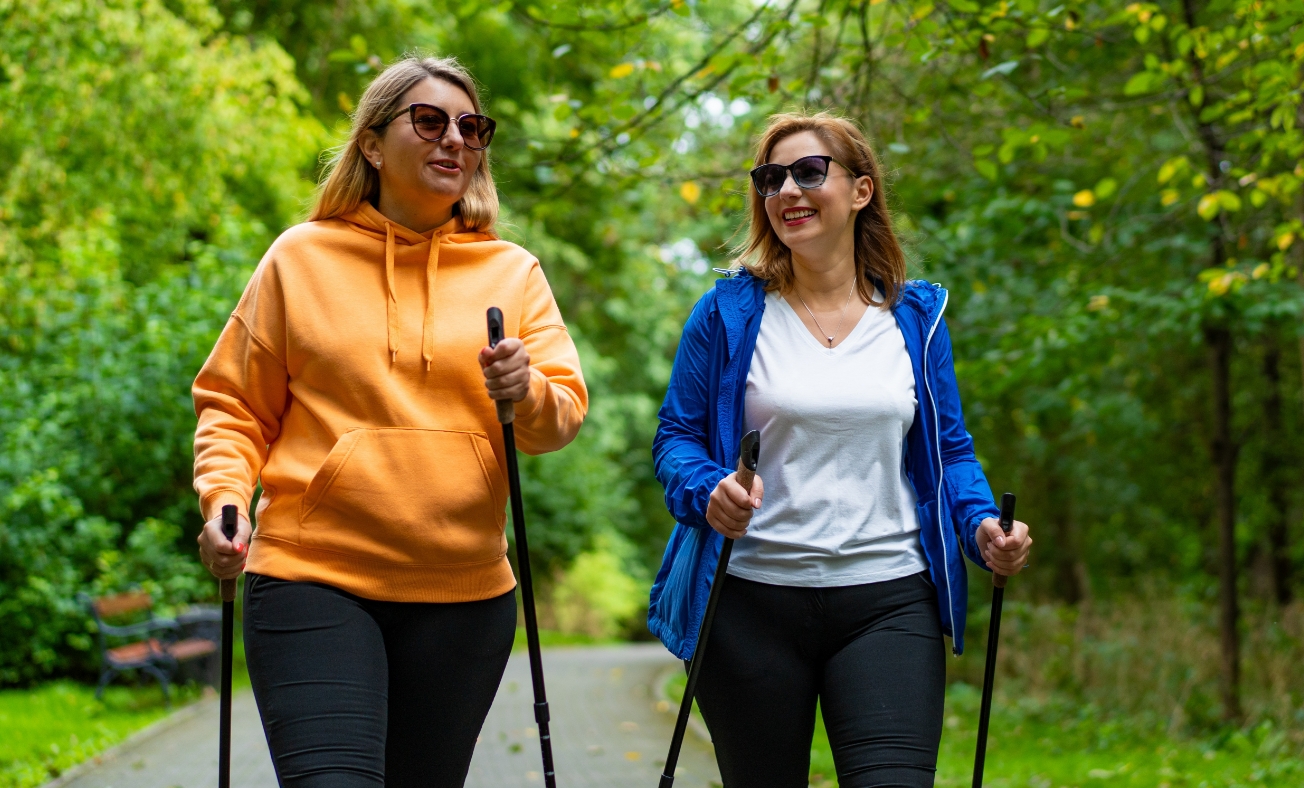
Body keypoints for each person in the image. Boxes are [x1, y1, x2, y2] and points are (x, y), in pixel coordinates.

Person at [192, 55, 587, 787]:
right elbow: (234, 406)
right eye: (429, 121)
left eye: (471, 128)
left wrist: (523, 388)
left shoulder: (513, 272)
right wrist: (224, 499)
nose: (455, 141)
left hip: (465, 598)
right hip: (314, 579)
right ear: (372, 143)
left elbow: (556, 421)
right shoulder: (299, 259)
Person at [649, 112, 1032, 788]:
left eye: (808, 172)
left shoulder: (915, 320)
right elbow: (675, 440)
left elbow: (949, 451)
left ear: (860, 191)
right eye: (772, 178)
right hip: (748, 602)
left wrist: (980, 527)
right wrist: (708, 489)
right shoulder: (727, 314)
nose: (787, 191)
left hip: (888, 600)